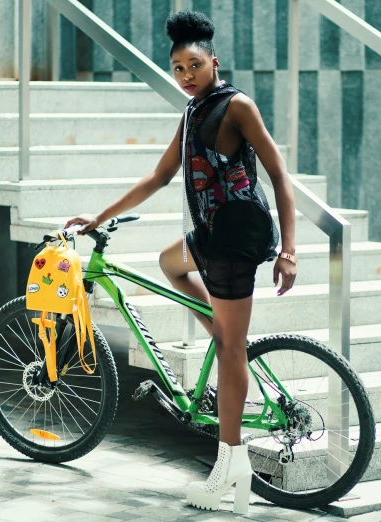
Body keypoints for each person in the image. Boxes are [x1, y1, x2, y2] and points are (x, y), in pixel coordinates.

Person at [64, 10, 297, 514]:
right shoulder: (191, 113)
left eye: (194, 64)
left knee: (233, 351)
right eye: (177, 68)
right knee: (169, 262)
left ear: (214, 61)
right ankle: (221, 331)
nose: (186, 75)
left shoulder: (237, 106)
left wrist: (289, 250)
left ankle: (230, 463)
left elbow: (279, 176)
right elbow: (159, 175)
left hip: (238, 239)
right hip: (208, 236)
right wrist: (98, 217)